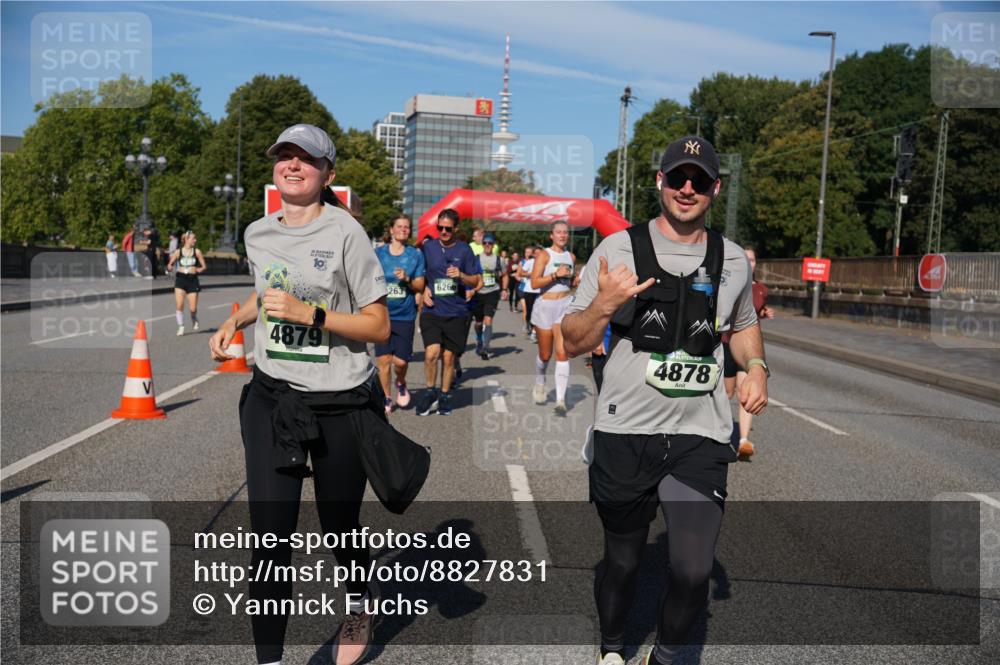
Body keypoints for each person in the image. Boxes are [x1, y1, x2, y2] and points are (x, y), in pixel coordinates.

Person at [561, 136, 768, 665]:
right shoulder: (617, 250)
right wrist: (604, 306)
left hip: (700, 433)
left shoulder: (732, 260)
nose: (687, 188)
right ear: (660, 181)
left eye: (700, 180)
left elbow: (743, 326)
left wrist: (757, 366)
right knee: (624, 561)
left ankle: (667, 658)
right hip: (626, 429)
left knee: (694, 568)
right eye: (678, 177)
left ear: (715, 189)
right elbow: (571, 340)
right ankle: (612, 649)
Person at [208, 123, 390, 665]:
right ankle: (270, 659)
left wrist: (313, 314)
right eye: (283, 155)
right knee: (269, 540)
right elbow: (268, 293)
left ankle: (359, 602)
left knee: (339, 524)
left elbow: (378, 326)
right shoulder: (257, 232)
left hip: (339, 403)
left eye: (305, 159)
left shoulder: (346, 234)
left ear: (327, 174)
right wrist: (237, 320)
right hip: (274, 400)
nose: (292, 164)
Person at [415, 209, 482, 416]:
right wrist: (423, 289)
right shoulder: (429, 247)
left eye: (448, 228)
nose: (443, 231)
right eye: (440, 228)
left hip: (456, 310)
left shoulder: (464, 251)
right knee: (431, 353)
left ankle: (444, 395)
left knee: (449, 357)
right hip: (432, 309)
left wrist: (461, 275)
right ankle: (429, 391)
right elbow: (420, 274)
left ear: (455, 229)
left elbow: (476, 280)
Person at [723, 246, 775, 459]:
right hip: (725, 343)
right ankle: (722, 434)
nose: (748, 263)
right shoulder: (726, 283)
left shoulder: (761, 289)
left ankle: (743, 440)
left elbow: (754, 312)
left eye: (752, 260)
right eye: (745, 259)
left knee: (746, 392)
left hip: (748, 349)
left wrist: (765, 312)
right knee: (726, 393)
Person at [375, 214, 426, 414]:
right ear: (392, 230)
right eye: (399, 226)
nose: (403, 230)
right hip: (382, 314)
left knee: (401, 361)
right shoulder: (379, 253)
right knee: (383, 361)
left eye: (407, 227)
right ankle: (386, 396)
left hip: (405, 314)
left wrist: (406, 279)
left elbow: (420, 285)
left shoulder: (415, 255)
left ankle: (401, 381)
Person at [530, 222, 580, 415]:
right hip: (545, 307)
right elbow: (534, 283)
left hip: (564, 305)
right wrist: (554, 275)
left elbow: (570, 282)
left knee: (562, 352)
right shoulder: (544, 255)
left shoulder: (571, 257)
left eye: (565, 233)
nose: (562, 235)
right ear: (551, 235)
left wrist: (575, 281)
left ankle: (560, 400)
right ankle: (540, 381)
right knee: (545, 355)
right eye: (558, 232)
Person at [471, 233, 508, 360]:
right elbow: (470, 276)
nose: (487, 245)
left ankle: (485, 347)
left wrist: (504, 289)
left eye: (490, 243)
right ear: (482, 244)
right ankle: (480, 341)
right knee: (478, 322)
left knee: (488, 320)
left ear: (493, 245)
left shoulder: (499, 260)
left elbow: (504, 275)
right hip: (478, 293)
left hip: (492, 292)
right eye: (485, 243)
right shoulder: (476, 259)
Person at [167, 230, 207, 335]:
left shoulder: (197, 252)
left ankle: (193, 317)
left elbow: (204, 266)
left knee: (193, 308)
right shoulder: (178, 252)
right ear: (186, 239)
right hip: (180, 279)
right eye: (193, 238)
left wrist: (200, 269)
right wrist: (170, 267)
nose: (195, 240)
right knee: (179, 305)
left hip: (192, 280)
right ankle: (181, 326)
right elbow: (170, 264)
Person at [518, 245, 540, 342]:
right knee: (529, 312)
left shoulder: (545, 263)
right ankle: (528, 324)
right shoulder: (529, 262)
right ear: (534, 254)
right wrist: (530, 274)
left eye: (541, 253)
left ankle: (534, 333)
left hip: (540, 290)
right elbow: (521, 273)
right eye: (537, 253)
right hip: (529, 290)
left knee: (538, 312)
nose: (539, 255)